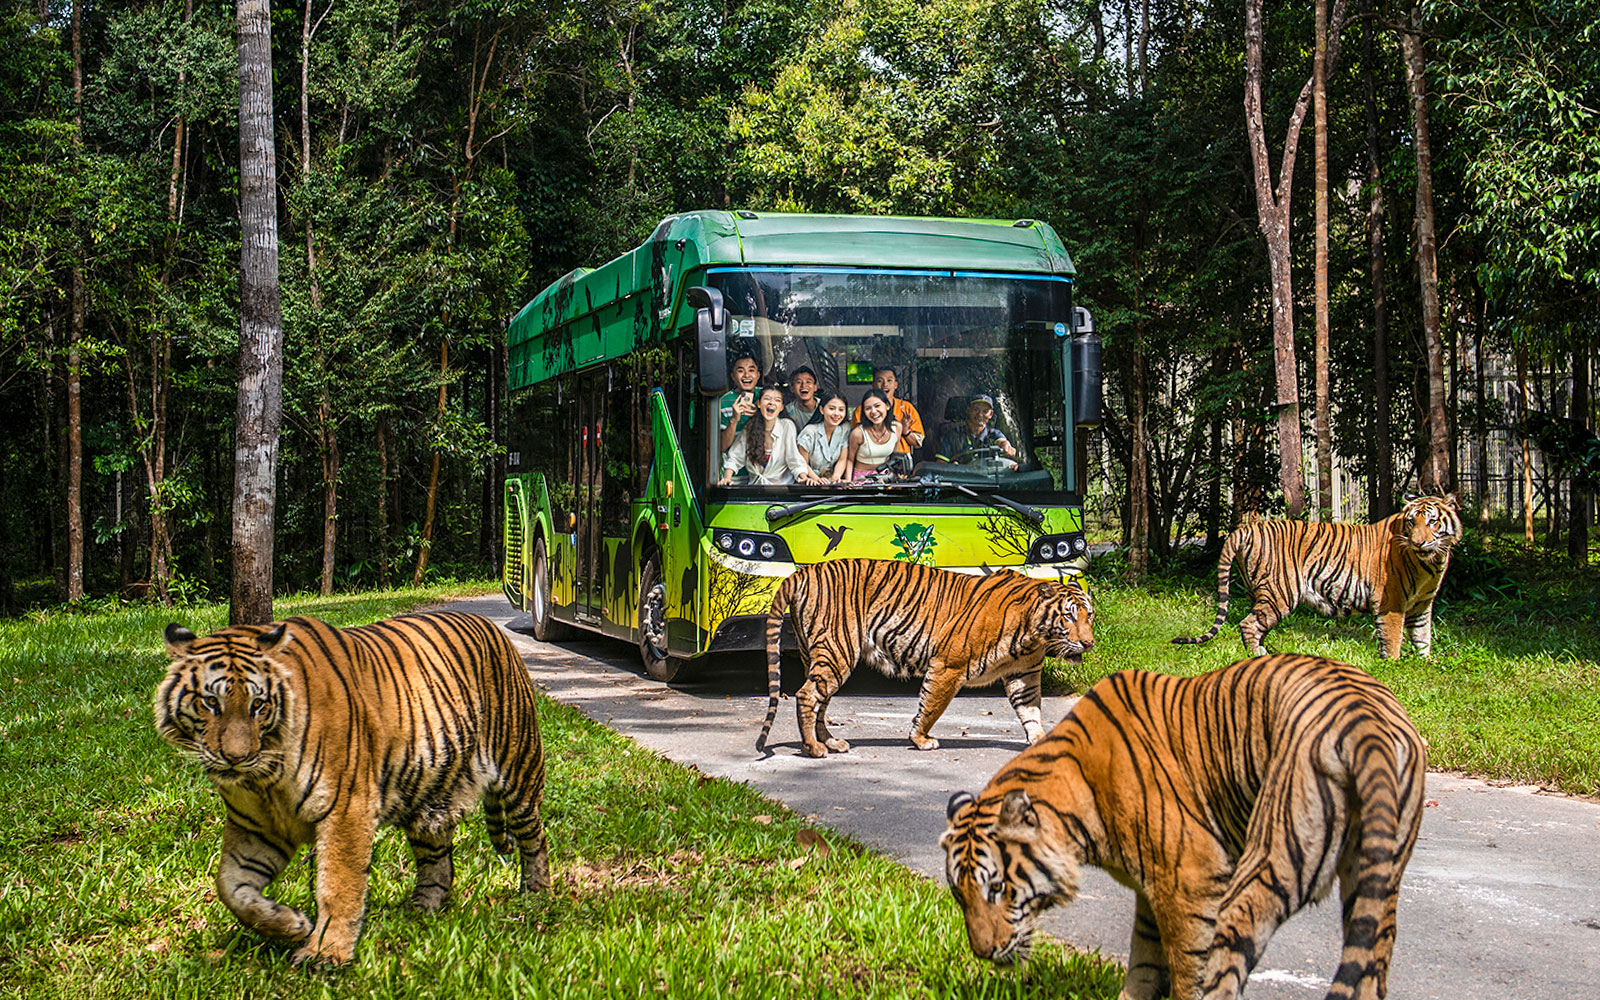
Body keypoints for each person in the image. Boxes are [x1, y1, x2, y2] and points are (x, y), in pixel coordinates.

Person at [720, 386, 809, 485]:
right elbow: (734, 458)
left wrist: (803, 478)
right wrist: (727, 479)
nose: (771, 402)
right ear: (759, 404)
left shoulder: (787, 426)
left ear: (781, 407)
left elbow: (794, 459)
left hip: (782, 492)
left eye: (777, 400)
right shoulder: (749, 428)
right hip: (756, 492)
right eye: (767, 398)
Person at [852, 365, 923, 455]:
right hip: (871, 462)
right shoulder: (861, 410)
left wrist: (905, 432)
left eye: (889, 380)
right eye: (879, 381)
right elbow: (855, 442)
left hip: (899, 464)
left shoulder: (906, 408)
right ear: (873, 385)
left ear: (896, 385)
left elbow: (918, 444)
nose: (885, 384)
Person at [936, 394, 1018, 464]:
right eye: (976, 409)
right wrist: (952, 468)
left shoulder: (994, 435)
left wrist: (1006, 446)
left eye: (985, 411)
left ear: (991, 414)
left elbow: (1002, 442)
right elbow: (940, 464)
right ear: (968, 410)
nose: (980, 414)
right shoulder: (953, 436)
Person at [847, 388, 902, 480]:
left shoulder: (897, 428)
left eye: (877, 406)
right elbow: (850, 460)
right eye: (868, 408)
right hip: (862, 478)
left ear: (887, 406)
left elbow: (894, 457)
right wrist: (848, 482)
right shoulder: (858, 433)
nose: (873, 411)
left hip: (885, 477)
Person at [796, 392, 851, 483]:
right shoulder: (809, 432)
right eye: (832, 408)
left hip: (831, 482)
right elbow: (802, 463)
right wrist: (817, 479)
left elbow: (842, 459)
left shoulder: (844, 429)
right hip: (810, 481)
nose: (837, 413)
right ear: (822, 410)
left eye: (841, 410)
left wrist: (836, 477)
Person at [719, 355, 763, 458]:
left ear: (758, 375)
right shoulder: (723, 403)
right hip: (734, 471)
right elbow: (722, 447)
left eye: (751, 370)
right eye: (740, 371)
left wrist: (761, 412)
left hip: (764, 470)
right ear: (733, 376)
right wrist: (734, 420)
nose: (747, 375)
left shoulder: (765, 396)